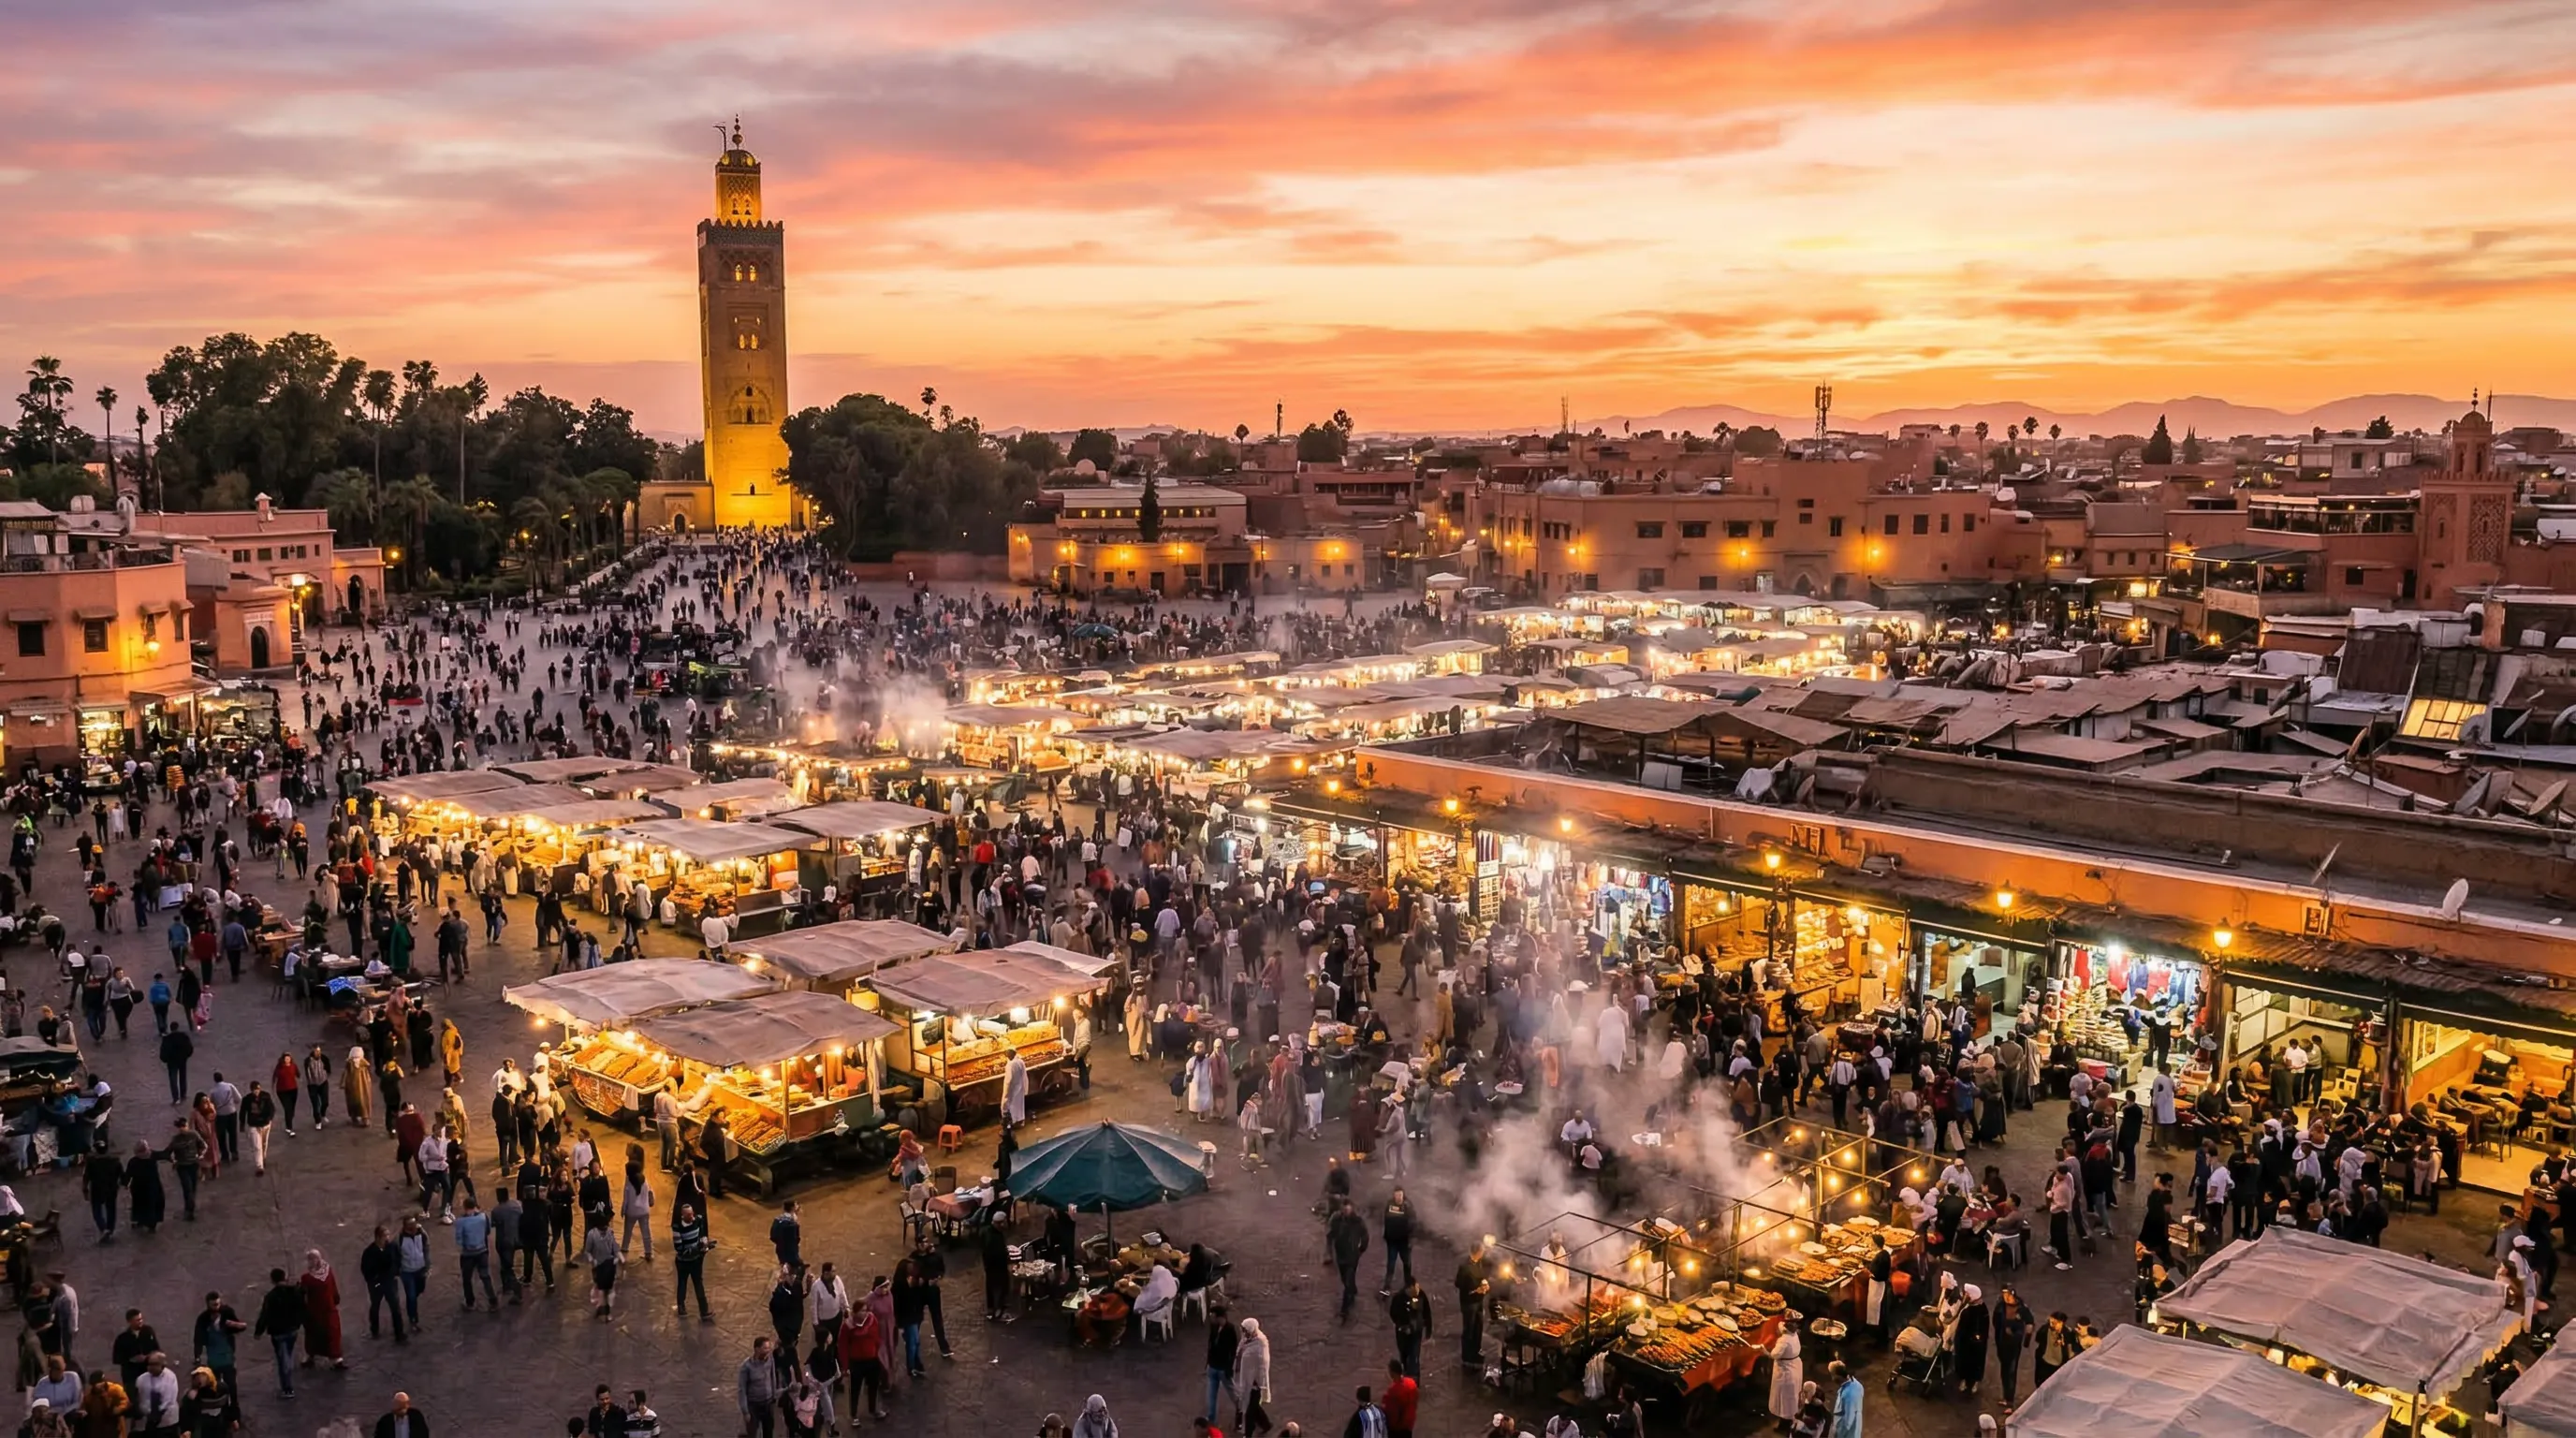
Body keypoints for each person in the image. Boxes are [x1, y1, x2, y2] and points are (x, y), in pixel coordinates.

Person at [251, 1268, 303, 1398]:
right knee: (288, 1355)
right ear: (285, 1278)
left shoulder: (271, 1297)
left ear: (272, 1280)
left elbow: (265, 1315)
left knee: (283, 1360)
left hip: (278, 1332)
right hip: (292, 1330)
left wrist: (259, 1331)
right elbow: (302, 1308)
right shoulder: (295, 1292)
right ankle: (287, 1383)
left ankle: (287, 1388)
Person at [298, 1250, 345, 1370]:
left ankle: (336, 1359)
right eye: (312, 1259)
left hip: (327, 1309)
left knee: (332, 1333)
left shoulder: (325, 1271)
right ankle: (311, 1355)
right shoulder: (307, 1278)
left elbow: (333, 1285)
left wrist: (335, 1298)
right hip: (315, 1311)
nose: (315, 1261)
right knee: (314, 1334)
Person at [1327, 1200, 1369, 1319]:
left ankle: (1345, 1308)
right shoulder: (1337, 1220)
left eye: (1348, 1208)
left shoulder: (1358, 1221)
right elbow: (1331, 1235)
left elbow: (1365, 1235)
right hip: (1341, 1255)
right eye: (1344, 1208)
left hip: (1352, 1255)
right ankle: (1352, 1289)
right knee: (1344, 1278)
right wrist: (1330, 1250)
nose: (1346, 1211)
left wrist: (1361, 1249)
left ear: (1351, 1209)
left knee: (1348, 1280)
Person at [1234, 1317, 1273, 1438]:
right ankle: (1266, 1424)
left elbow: (1262, 1364)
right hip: (1246, 1381)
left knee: (1250, 1410)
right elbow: (1240, 1353)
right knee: (1252, 1407)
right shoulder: (1247, 1340)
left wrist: (1256, 1379)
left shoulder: (1260, 1343)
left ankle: (1248, 1434)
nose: (1244, 1333)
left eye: (1245, 1330)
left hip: (1256, 1384)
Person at [1952, 1284, 1990, 1401]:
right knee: (1964, 1361)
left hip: (1975, 1344)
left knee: (1976, 1363)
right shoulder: (1967, 1308)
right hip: (1965, 1343)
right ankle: (1964, 1379)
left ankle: (1974, 1382)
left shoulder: (1980, 1311)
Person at [1768, 1324, 1803, 1428]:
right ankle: (1790, 1419)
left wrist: (1763, 1351)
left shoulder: (1784, 1340)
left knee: (1784, 1397)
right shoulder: (1795, 1335)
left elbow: (1774, 1354)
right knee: (1792, 1395)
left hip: (1786, 1371)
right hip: (1795, 1366)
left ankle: (1785, 1424)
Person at [1829, 1361, 1864, 1438]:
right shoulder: (1857, 1384)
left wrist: (1838, 1435)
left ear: (1839, 1376)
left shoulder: (1848, 1395)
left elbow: (1847, 1422)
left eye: (1833, 1375)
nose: (1832, 1378)